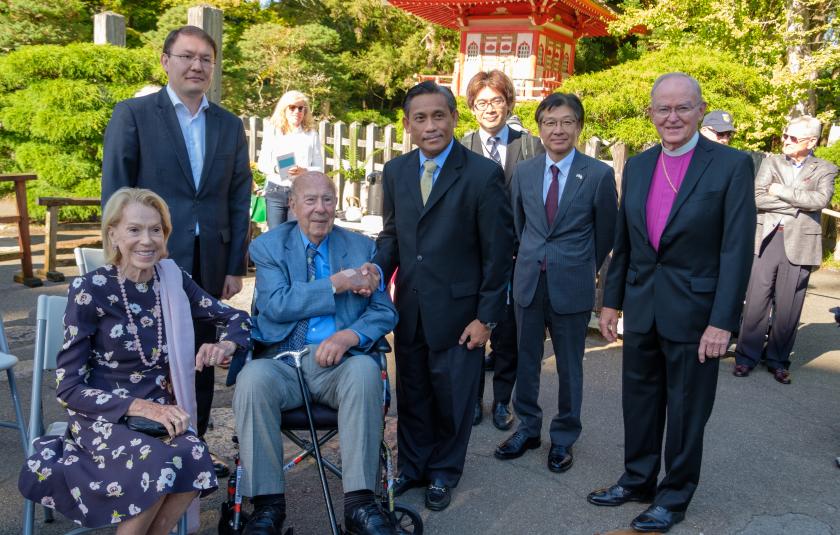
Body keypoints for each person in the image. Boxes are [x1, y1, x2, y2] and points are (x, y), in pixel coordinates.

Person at [18, 188, 250, 533]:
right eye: (134, 229)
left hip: (161, 418)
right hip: (104, 417)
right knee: (157, 463)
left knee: (194, 453)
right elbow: (68, 388)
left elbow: (237, 319)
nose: (147, 240)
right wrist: (140, 406)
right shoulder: (90, 289)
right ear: (113, 234)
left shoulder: (172, 281)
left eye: (156, 230)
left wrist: (227, 345)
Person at [589, 73, 755, 533]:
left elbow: (736, 249)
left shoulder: (730, 165)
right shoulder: (639, 166)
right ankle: (638, 479)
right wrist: (610, 300)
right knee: (639, 402)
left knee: (685, 410)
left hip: (697, 313)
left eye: (683, 107)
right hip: (643, 305)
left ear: (701, 110)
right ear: (651, 113)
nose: (673, 116)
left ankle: (674, 495)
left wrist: (723, 321)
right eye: (663, 108)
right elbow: (625, 241)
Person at [101, 25, 253, 477]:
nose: (196, 66)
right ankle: (142, 448)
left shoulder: (228, 124)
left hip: (209, 260)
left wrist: (233, 265)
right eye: (187, 56)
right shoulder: (134, 114)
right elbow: (115, 190)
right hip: (148, 257)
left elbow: (238, 197)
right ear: (165, 60)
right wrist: (119, 257)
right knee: (143, 352)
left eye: (206, 59)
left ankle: (195, 448)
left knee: (200, 356)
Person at [369, 81, 514, 512]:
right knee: (412, 393)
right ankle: (413, 466)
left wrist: (486, 317)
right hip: (410, 308)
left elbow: (498, 252)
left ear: (453, 118)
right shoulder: (396, 172)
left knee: (453, 398)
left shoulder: (482, 174)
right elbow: (393, 234)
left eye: (438, 116)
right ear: (408, 125)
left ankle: (444, 472)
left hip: (460, 314)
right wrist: (375, 271)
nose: (430, 126)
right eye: (420, 118)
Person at [233, 171, 397, 535]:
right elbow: (275, 306)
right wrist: (336, 283)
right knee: (251, 379)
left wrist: (349, 337)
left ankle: (359, 505)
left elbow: (385, 311)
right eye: (310, 200)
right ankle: (267, 508)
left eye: (328, 200)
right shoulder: (269, 246)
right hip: (283, 362)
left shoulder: (360, 249)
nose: (320, 209)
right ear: (292, 204)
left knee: (365, 372)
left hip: (339, 366)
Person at [495, 93, 617, 473]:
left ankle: (563, 437)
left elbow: (606, 234)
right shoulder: (525, 171)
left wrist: (580, 265)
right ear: (540, 128)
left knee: (569, 366)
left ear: (579, 126)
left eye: (566, 122)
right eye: (550, 122)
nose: (558, 129)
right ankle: (528, 428)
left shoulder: (597, 174)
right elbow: (519, 226)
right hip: (529, 279)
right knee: (526, 360)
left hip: (573, 282)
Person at [461, 69, 544, 430]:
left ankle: (501, 401)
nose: (490, 108)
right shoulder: (461, 147)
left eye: (496, 100)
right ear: (472, 108)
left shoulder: (529, 146)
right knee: (472, 331)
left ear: (508, 103)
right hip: (471, 257)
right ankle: (473, 399)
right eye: (482, 103)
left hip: (515, 254)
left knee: (508, 333)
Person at [734, 116, 838, 384]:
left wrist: (779, 190)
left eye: (793, 138)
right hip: (767, 237)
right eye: (785, 135)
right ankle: (746, 357)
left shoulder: (825, 168)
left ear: (811, 141)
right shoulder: (772, 162)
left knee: (789, 306)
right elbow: (756, 197)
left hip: (801, 242)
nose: (786, 141)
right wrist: (796, 205)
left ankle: (778, 360)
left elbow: (819, 200)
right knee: (756, 301)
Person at [256, 90, 324, 229]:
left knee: (296, 237)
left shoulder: (311, 134)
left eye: (301, 108)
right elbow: (262, 163)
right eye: (292, 107)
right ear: (284, 110)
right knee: (276, 238)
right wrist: (277, 168)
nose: (297, 111)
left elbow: (319, 168)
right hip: (275, 190)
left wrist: (305, 171)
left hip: (301, 192)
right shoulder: (273, 131)